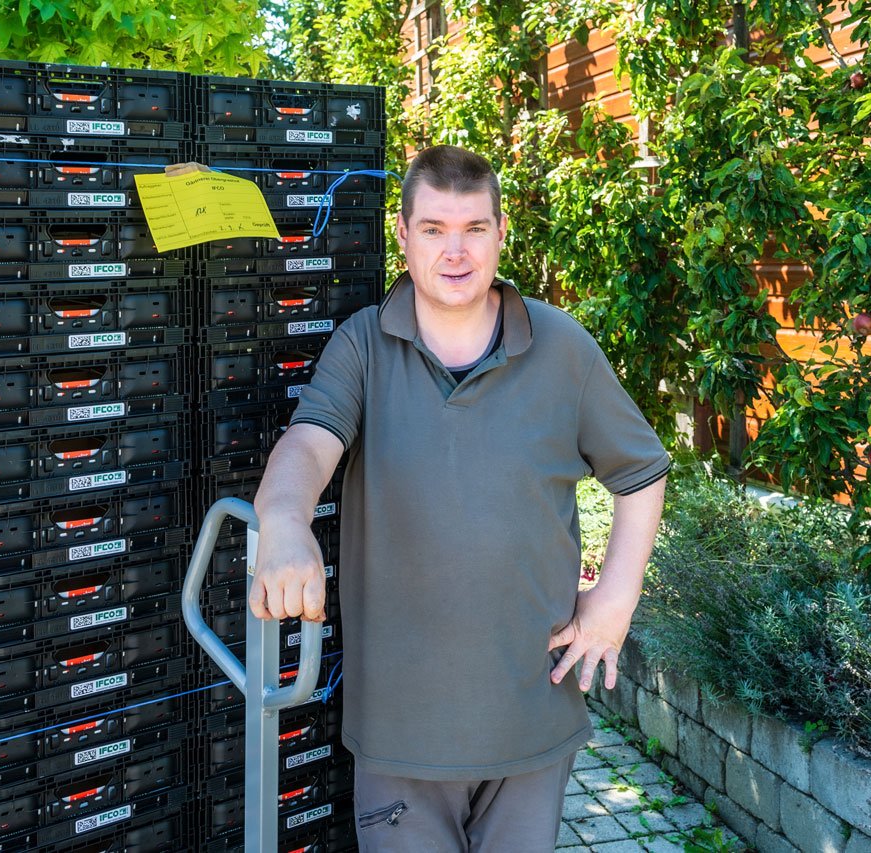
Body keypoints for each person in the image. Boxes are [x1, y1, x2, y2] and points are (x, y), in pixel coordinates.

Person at [250, 145, 670, 852]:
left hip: (531, 715)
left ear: (500, 233)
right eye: (435, 229)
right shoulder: (364, 344)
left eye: (474, 228)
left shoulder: (561, 346)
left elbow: (642, 472)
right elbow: (308, 443)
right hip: (401, 729)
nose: (455, 251)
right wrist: (284, 519)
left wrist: (615, 602)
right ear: (403, 235)